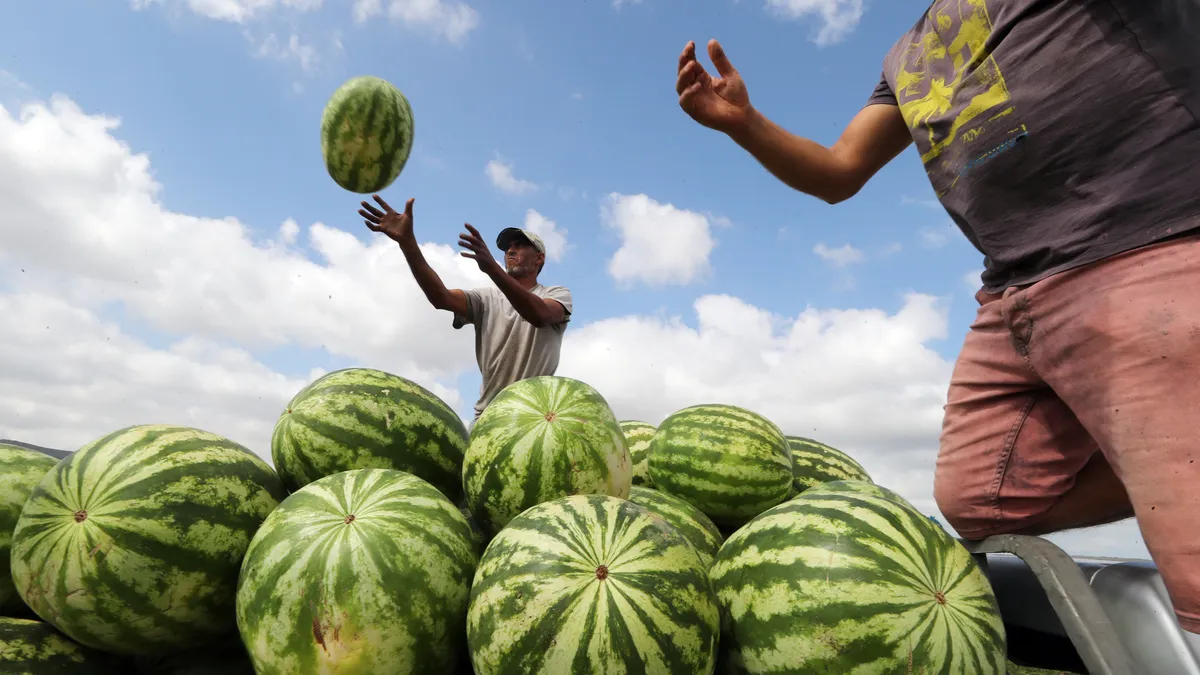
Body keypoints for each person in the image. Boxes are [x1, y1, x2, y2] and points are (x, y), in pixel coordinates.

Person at [675, 0, 1200, 635]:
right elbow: (839, 172)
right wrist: (744, 123)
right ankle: (1159, 465)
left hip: (1147, 246)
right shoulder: (903, 56)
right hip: (1013, 294)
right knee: (980, 500)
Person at [358, 195, 573, 427]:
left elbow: (539, 315)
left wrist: (491, 269)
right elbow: (440, 297)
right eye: (508, 247)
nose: (511, 250)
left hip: (534, 418)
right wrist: (407, 243)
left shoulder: (556, 294)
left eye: (520, 245)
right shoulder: (485, 299)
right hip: (488, 417)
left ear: (539, 258)